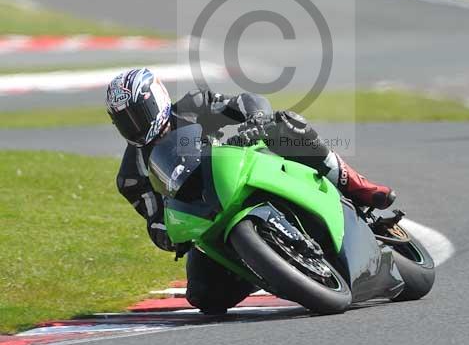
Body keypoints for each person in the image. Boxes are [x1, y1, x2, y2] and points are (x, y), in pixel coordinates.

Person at [106, 68, 396, 314]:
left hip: (243, 166)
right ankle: (266, 264)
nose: (135, 125)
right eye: (124, 121)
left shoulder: (193, 106)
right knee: (205, 298)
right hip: (206, 217)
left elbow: (245, 101)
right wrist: (171, 236)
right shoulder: (131, 176)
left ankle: (356, 184)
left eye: (139, 114)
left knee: (286, 126)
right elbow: (154, 219)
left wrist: (255, 117)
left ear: (158, 99)